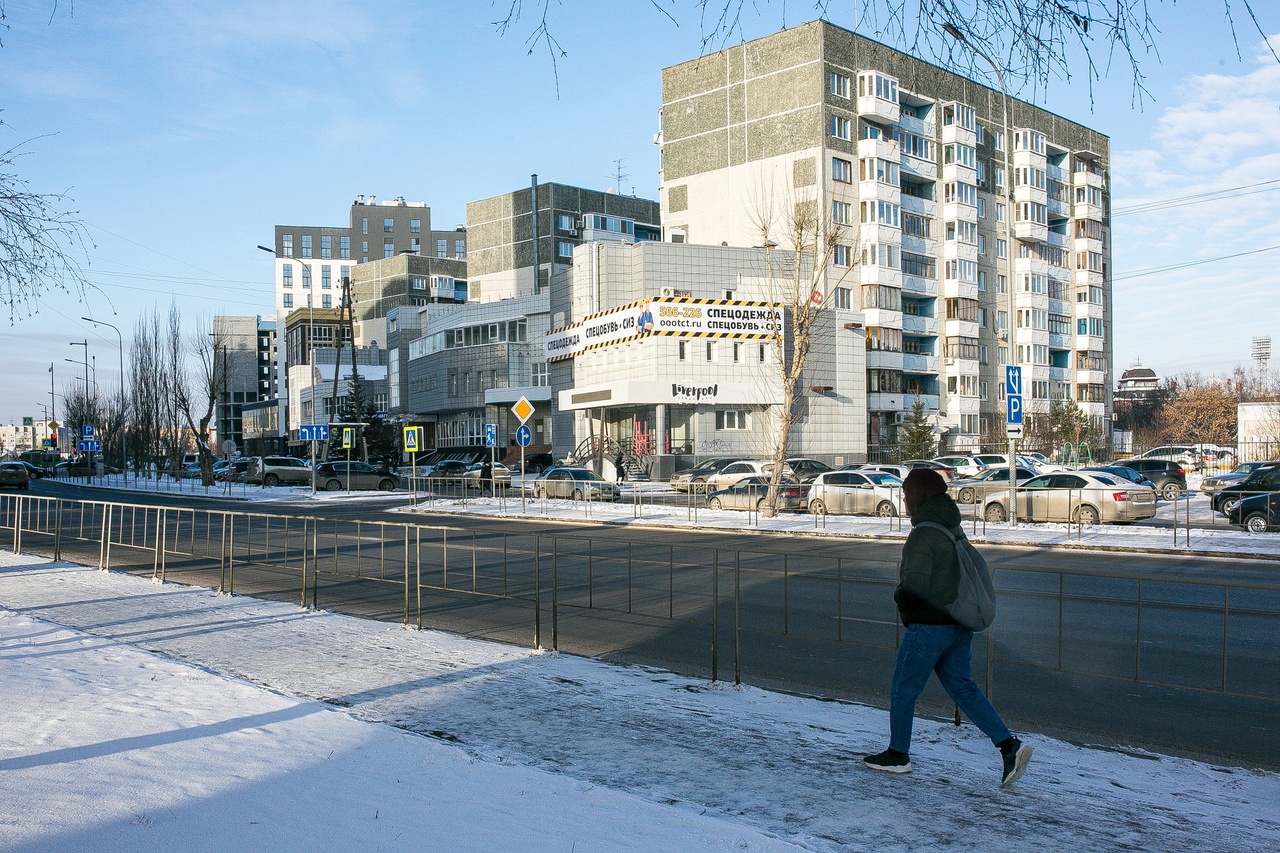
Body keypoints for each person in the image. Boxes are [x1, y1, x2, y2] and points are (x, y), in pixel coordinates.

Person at [864, 467, 1033, 787]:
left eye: (906, 493)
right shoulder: (951, 527)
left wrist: (898, 595)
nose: (904, 499)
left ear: (918, 496)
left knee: (903, 689)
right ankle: (1009, 746)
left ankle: (898, 754)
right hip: (958, 625)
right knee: (963, 689)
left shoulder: (924, 533)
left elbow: (913, 585)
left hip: (928, 626)